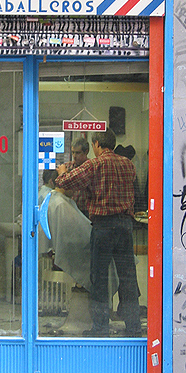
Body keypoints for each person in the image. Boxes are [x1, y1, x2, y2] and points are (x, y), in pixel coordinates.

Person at [55, 129, 141, 337]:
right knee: (128, 279)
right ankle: (133, 328)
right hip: (125, 226)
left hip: (103, 227)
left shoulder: (95, 164)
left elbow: (64, 183)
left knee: (99, 279)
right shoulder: (128, 165)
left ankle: (101, 328)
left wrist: (61, 172)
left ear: (96, 145)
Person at [66, 137, 90, 217]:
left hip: (86, 211)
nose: (74, 156)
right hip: (69, 209)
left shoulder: (91, 167)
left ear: (86, 152)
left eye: (78, 153)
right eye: (73, 152)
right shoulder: (67, 167)